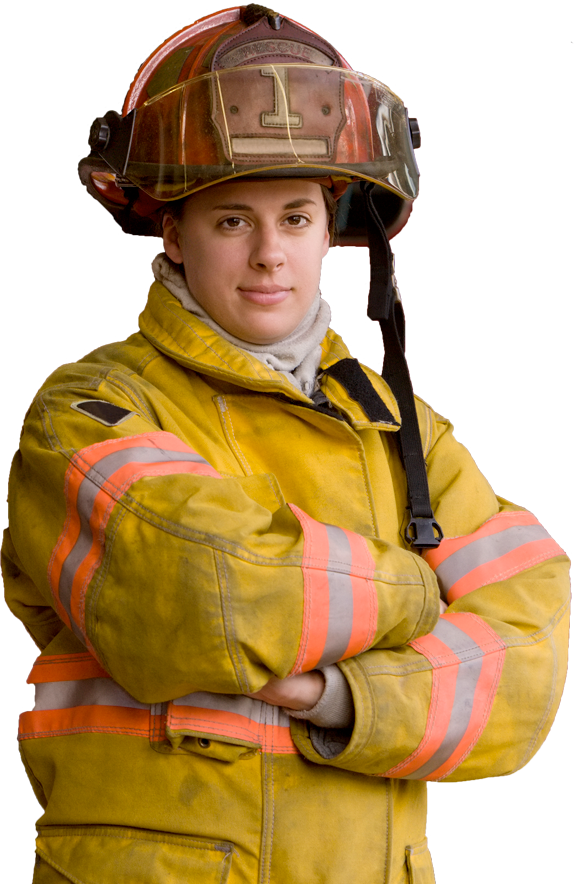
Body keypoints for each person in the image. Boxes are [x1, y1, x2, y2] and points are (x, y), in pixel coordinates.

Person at [1, 6, 570, 883]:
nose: (271, 255)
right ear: (175, 239)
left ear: (330, 236)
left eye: (297, 218)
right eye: (233, 221)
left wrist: (334, 694)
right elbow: (208, 588)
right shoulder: (92, 407)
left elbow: (527, 655)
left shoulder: (402, 428)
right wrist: (426, 585)